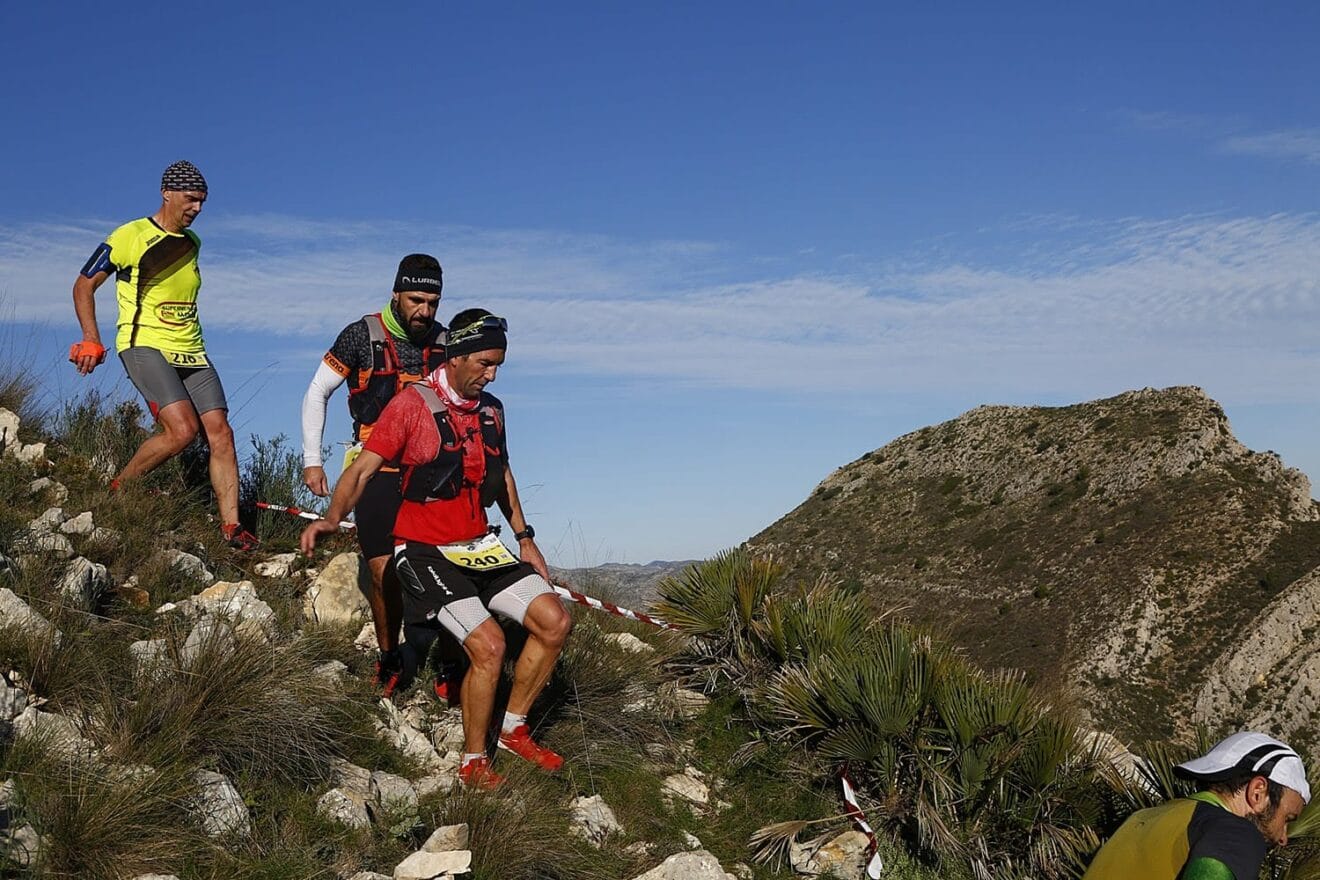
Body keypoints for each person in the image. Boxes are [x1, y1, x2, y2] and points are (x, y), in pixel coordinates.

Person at [301, 309, 569, 789]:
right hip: (422, 548)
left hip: (479, 545)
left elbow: (501, 472)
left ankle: (511, 729)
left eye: (498, 366)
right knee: (490, 646)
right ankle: (472, 762)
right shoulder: (410, 405)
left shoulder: (492, 410)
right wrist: (330, 519)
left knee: (555, 620)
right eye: (485, 363)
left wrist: (526, 539)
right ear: (458, 355)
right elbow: (363, 470)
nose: (491, 375)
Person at [70, 160, 257, 551]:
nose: (198, 209)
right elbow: (84, 284)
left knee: (221, 433)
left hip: (192, 349)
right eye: (191, 199)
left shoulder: (193, 243)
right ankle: (120, 489)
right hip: (143, 344)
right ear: (167, 193)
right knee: (183, 431)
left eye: (203, 202)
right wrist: (91, 337)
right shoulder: (130, 235)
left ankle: (232, 530)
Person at [301, 253, 446, 695]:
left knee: (440, 570)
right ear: (396, 294)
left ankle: (445, 661)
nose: (424, 311)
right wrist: (312, 459)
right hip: (374, 466)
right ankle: (389, 658)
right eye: (416, 299)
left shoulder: (445, 341)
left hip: (430, 472)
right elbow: (317, 391)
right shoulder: (359, 336)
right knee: (383, 572)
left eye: (433, 302)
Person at [1083, 731, 1310, 879]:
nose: (1284, 837)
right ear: (1258, 792)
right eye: (1287, 819)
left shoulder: (1141, 818)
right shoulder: (1236, 833)